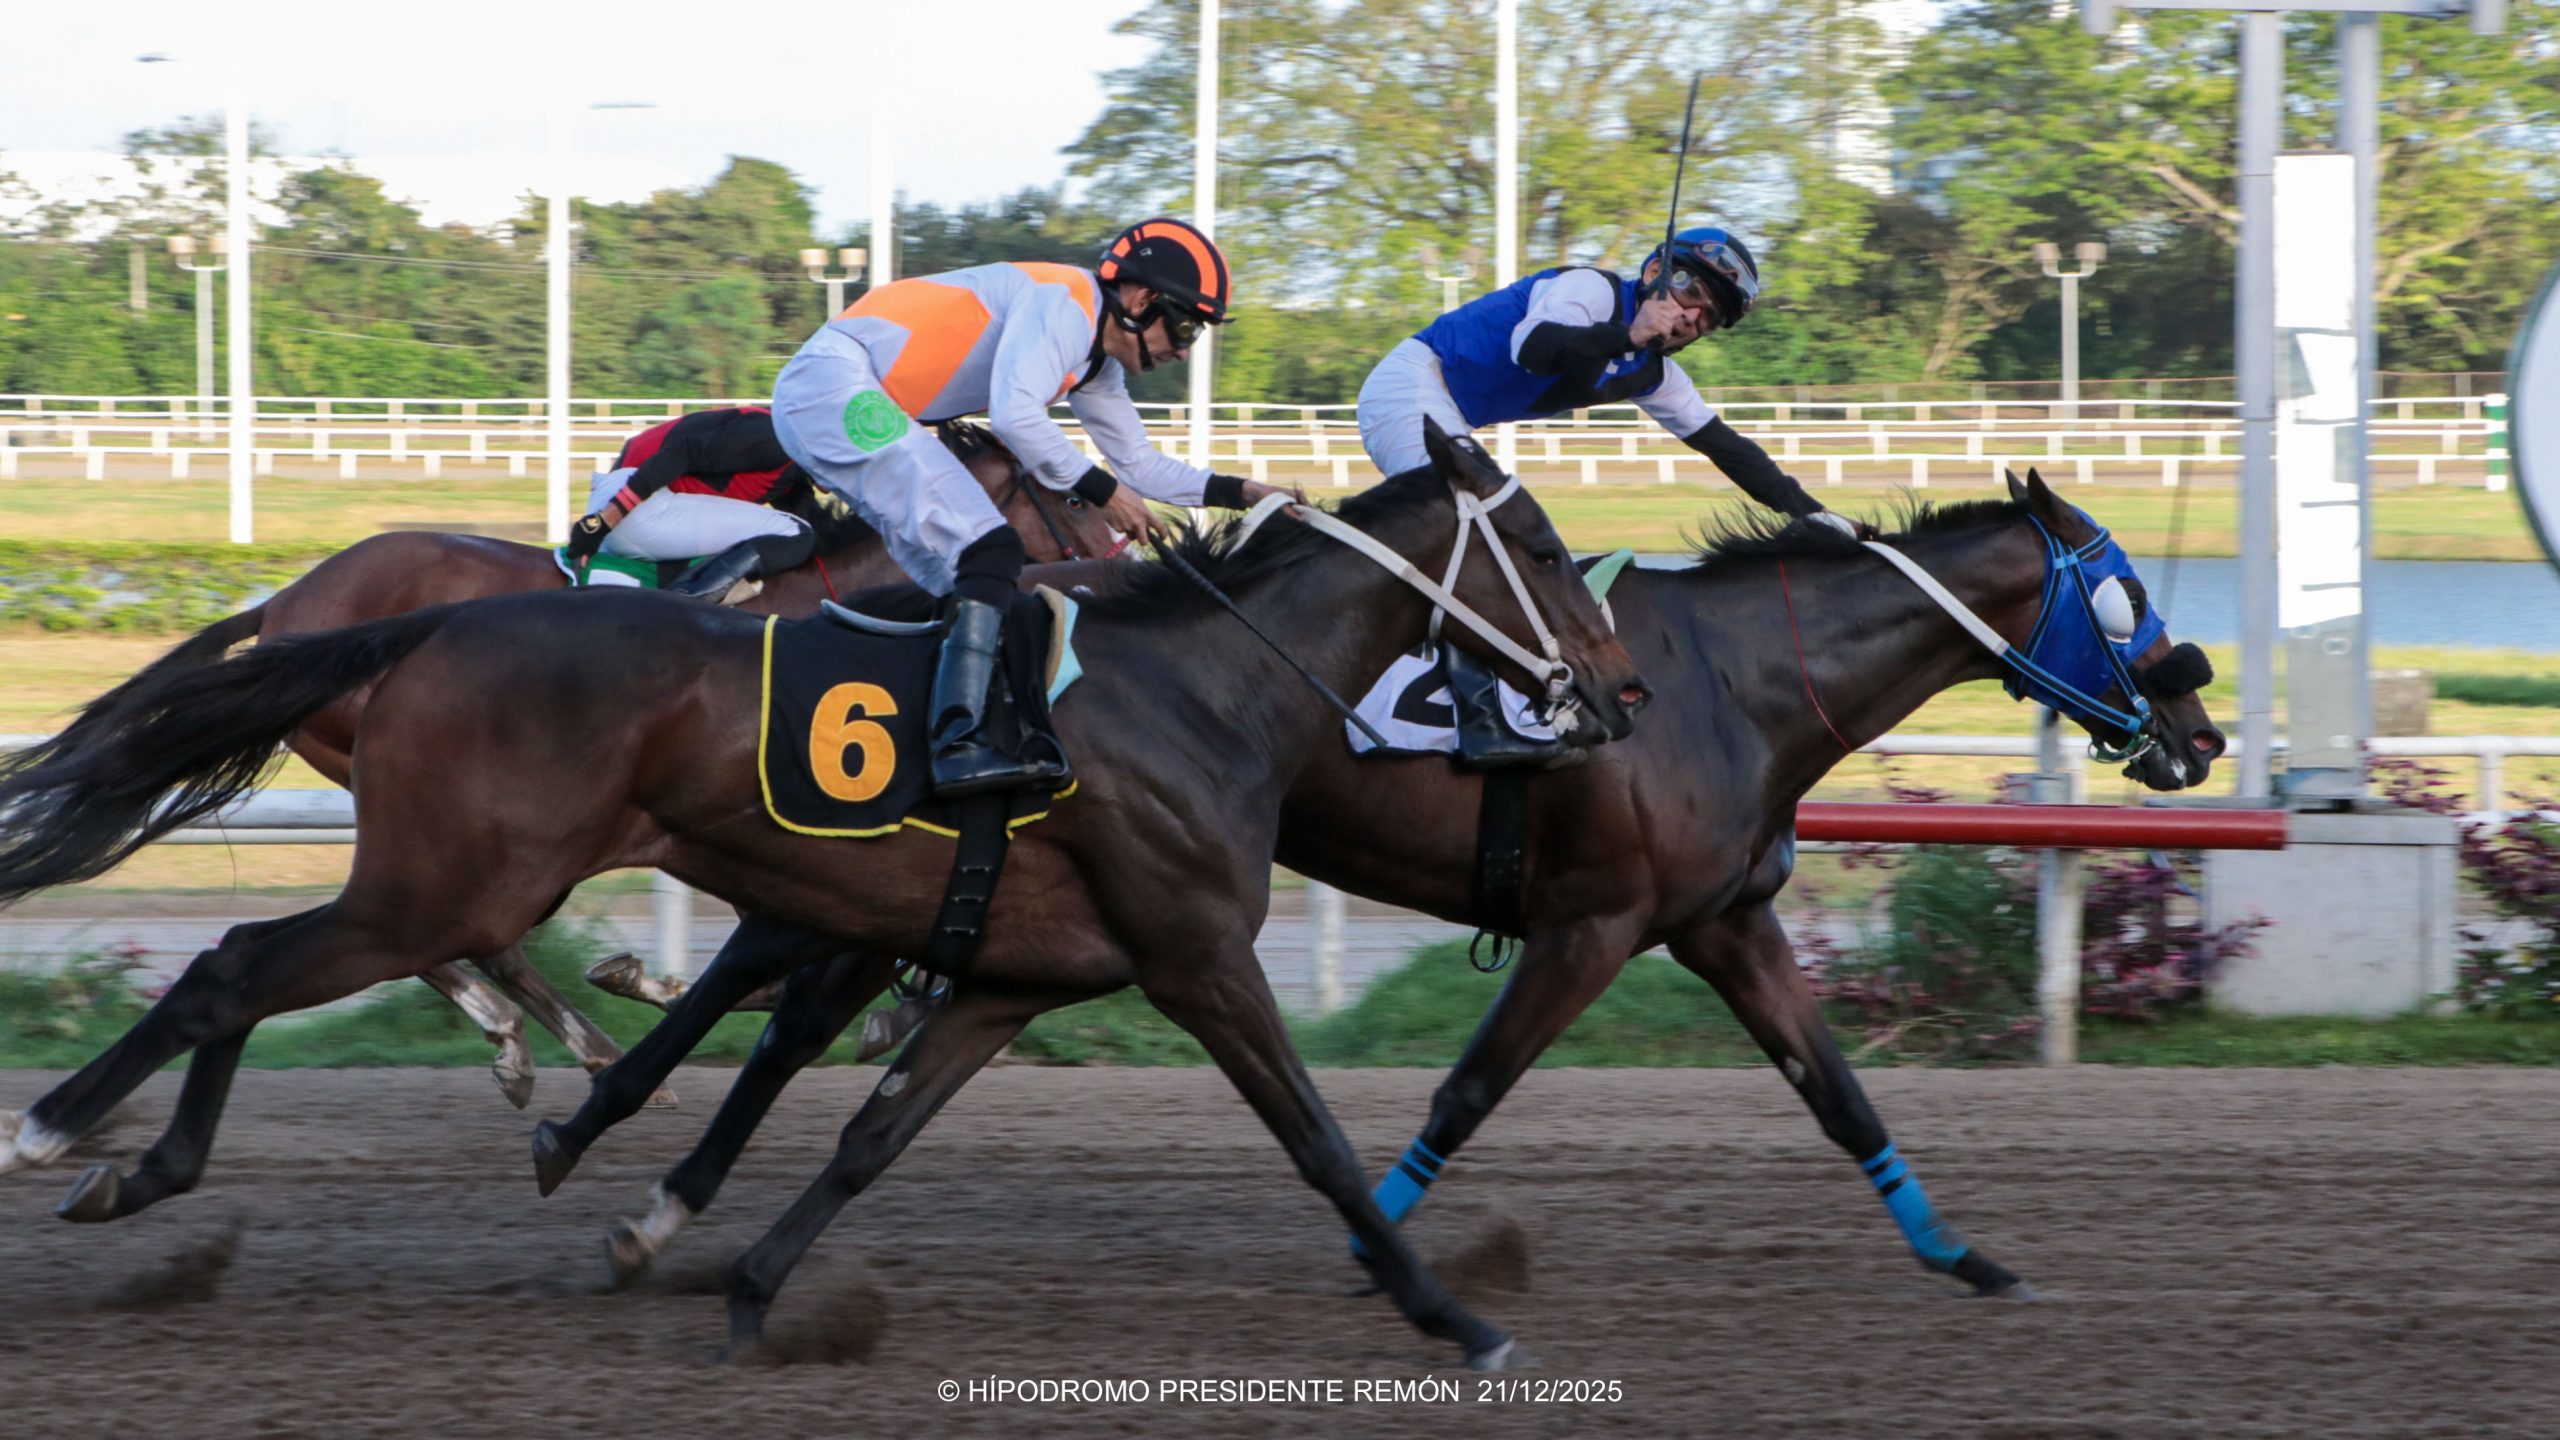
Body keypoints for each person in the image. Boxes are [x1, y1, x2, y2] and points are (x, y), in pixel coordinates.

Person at [768, 218, 1293, 796]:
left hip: (844, 395)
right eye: (1187, 325)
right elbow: (1015, 417)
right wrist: (1105, 494)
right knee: (991, 552)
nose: (1186, 349)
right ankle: (957, 743)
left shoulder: (1096, 363)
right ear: (1143, 300)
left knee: (965, 585)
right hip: (834, 386)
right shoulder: (1066, 301)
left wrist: (1244, 493)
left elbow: (1140, 467)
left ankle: (914, 724)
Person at [1354, 225, 1862, 763]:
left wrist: (1817, 516)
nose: (1693, 318)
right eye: (1690, 295)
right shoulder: (1591, 291)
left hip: (1448, 411)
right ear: (1654, 274)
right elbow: (1535, 349)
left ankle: (1458, 697)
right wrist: (1629, 334)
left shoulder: (1654, 374)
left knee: (1501, 539)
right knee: (1485, 532)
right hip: (1410, 385)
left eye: (1708, 317)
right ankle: (1455, 706)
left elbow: (1728, 448)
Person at [563, 405, 815, 604]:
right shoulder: (774, 438)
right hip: (632, 504)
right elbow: (682, 453)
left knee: (792, 536)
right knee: (797, 533)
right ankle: (684, 608)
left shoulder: (791, 471)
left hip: (631, 508)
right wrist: (605, 520)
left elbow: (815, 530)